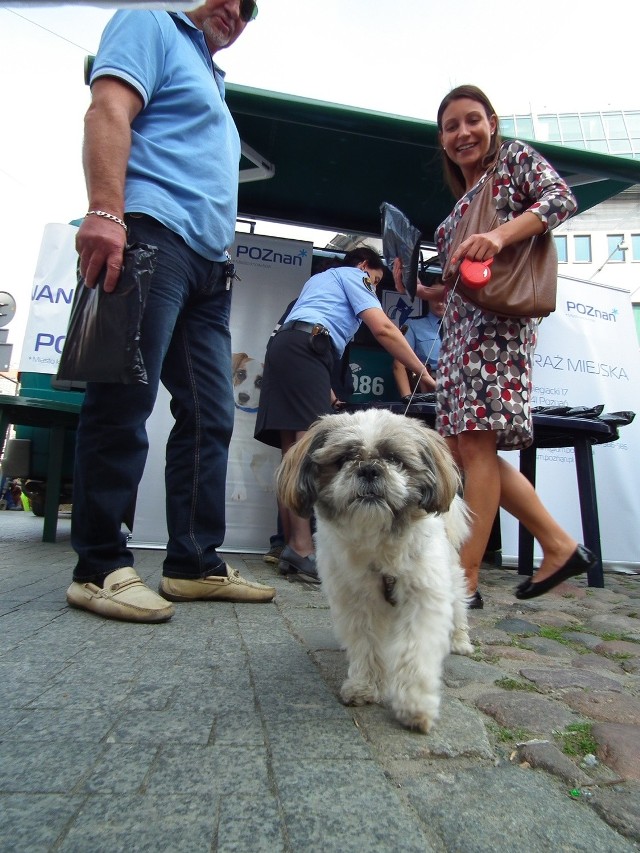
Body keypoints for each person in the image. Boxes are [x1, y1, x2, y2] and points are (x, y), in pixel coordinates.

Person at [66, 0, 275, 625]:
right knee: (123, 397)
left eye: (250, 11)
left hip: (210, 264)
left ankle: (192, 563)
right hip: (152, 233)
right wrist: (105, 210)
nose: (237, 12)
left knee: (213, 413)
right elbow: (108, 109)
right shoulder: (150, 21)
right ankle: (99, 566)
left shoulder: (210, 74)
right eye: (231, 0)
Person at [395, 85, 596, 608]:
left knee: (477, 446)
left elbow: (561, 199)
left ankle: (464, 583)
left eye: (472, 121)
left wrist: (500, 235)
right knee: (462, 449)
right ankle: (558, 544)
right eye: (450, 126)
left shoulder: (513, 162)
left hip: (496, 331)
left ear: (492, 123)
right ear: (441, 140)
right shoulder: (462, 202)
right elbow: (461, 283)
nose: (463, 133)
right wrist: (424, 289)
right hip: (461, 331)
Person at [255, 247, 433, 582]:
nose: (373, 288)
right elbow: (383, 329)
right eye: (376, 280)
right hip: (306, 350)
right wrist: (423, 372)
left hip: (286, 348)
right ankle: (305, 550)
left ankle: (292, 546)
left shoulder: (320, 282)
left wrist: (330, 392)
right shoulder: (354, 275)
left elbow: (312, 333)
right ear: (365, 265)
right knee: (308, 452)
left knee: (291, 453)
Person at [392, 290, 445, 401]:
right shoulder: (413, 324)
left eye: (444, 297)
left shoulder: (465, 327)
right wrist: (408, 400)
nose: (440, 303)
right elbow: (399, 365)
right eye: (435, 297)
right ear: (427, 297)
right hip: (428, 390)